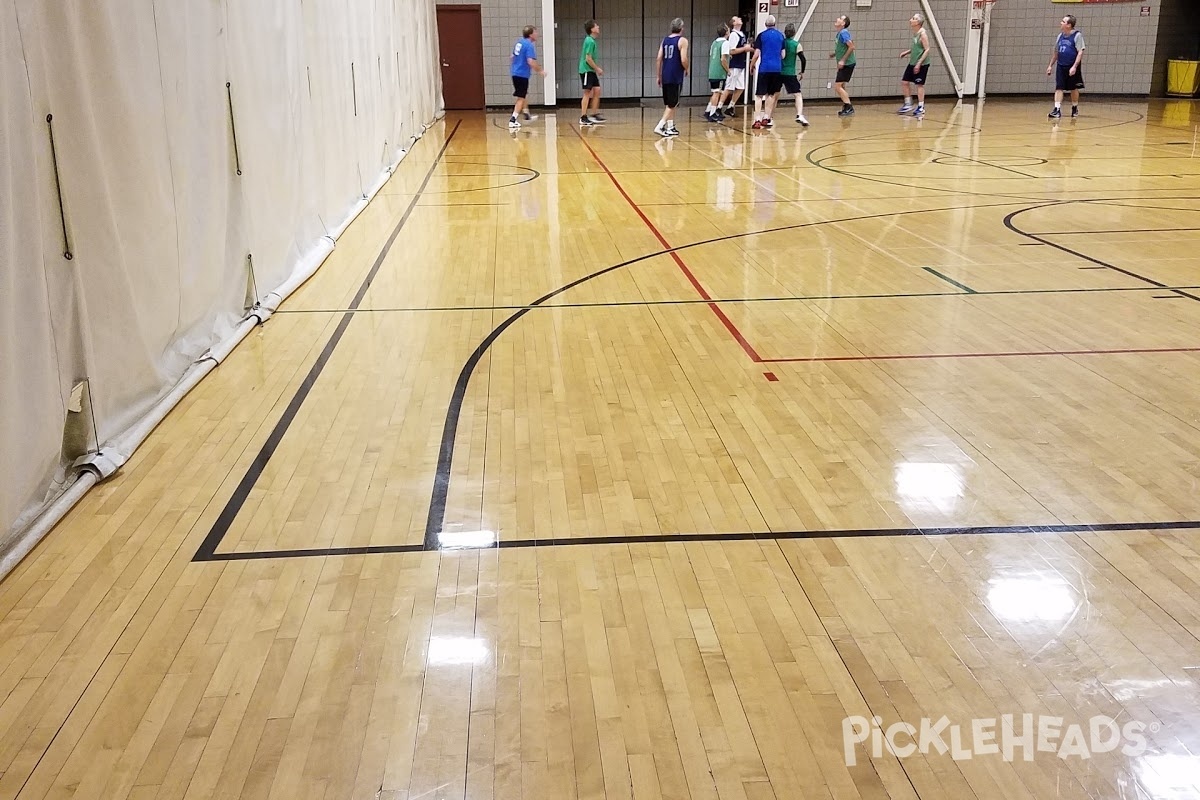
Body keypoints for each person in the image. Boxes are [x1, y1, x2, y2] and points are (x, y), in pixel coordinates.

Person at [654, 18, 689, 137]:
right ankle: (660, 126)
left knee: (669, 103)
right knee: (673, 103)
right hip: (675, 75)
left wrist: (658, 75)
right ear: (682, 28)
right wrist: (687, 68)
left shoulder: (665, 40)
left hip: (665, 74)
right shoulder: (682, 40)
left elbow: (659, 58)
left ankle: (670, 127)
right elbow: (683, 59)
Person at [751, 16, 785, 130]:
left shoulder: (761, 36)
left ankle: (757, 120)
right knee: (771, 94)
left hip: (764, 68)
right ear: (774, 24)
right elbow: (783, 55)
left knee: (759, 95)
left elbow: (756, 54)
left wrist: (752, 65)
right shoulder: (781, 36)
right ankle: (766, 117)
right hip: (777, 69)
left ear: (766, 24)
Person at [1047, 15, 1085, 119]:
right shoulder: (1060, 36)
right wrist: (1050, 65)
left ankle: (1074, 107)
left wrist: (1074, 66)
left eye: (1063, 21)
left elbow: (1080, 52)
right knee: (1059, 87)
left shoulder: (1077, 36)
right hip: (1061, 65)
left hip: (1072, 66)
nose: (1061, 23)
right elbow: (1056, 52)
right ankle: (1057, 109)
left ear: (1069, 25)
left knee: (1073, 88)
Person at [508, 26, 544, 129]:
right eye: (535, 32)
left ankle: (527, 115)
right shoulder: (529, 45)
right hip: (522, 74)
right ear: (530, 34)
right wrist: (540, 71)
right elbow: (530, 61)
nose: (537, 34)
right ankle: (513, 120)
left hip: (515, 73)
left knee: (523, 95)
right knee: (521, 98)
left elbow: (512, 57)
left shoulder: (519, 43)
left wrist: (516, 65)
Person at [717, 17, 752, 117]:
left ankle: (730, 107)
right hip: (734, 64)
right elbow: (731, 51)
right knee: (729, 87)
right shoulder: (733, 34)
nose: (740, 19)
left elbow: (744, 47)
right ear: (733, 23)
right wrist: (744, 48)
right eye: (737, 19)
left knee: (741, 87)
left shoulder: (741, 34)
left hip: (741, 64)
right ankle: (719, 108)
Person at [898, 13, 930, 118]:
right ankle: (908, 104)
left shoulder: (923, 34)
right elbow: (916, 48)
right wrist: (906, 52)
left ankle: (921, 106)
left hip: (921, 64)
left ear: (918, 23)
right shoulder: (915, 33)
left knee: (919, 84)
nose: (910, 20)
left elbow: (927, 49)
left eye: (913, 19)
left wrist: (919, 63)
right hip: (913, 62)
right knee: (904, 82)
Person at [579, 21, 606, 126]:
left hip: (590, 70)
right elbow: (588, 59)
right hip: (586, 69)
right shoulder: (589, 41)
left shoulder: (592, 41)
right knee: (587, 92)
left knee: (597, 90)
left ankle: (594, 114)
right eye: (596, 26)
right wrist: (597, 68)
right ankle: (583, 117)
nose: (598, 27)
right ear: (592, 29)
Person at [781, 23, 808, 126]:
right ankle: (799, 115)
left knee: (774, 95)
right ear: (794, 33)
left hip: (779, 72)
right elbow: (803, 59)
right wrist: (802, 71)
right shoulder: (797, 45)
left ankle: (769, 117)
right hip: (790, 73)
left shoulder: (781, 43)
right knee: (797, 94)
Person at [830, 15, 856, 117]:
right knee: (842, 86)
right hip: (845, 63)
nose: (837, 19)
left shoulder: (844, 33)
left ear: (843, 23)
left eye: (840, 18)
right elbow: (843, 47)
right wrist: (835, 53)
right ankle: (846, 106)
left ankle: (849, 106)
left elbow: (851, 46)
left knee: (837, 86)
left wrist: (843, 60)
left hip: (848, 64)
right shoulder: (840, 34)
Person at [705, 23, 731, 122]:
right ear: (726, 32)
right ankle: (712, 113)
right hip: (719, 72)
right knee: (717, 93)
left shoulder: (714, 43)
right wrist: (728, 70)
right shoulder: (725, 43)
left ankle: (708, 111)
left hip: (712, 70)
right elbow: (723, 59)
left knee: (714, 92)